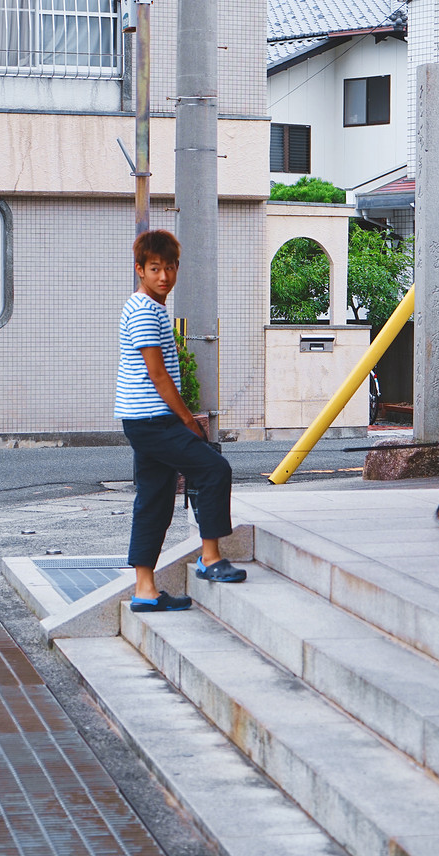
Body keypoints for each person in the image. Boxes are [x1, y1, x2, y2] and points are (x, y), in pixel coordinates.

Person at [115, 229, 246, 613]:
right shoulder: (144, 309)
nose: (164, 277)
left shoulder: (145, 307)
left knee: (154, 499)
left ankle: (145, 590)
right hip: (154, 418)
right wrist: (188, 420)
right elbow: (157, 374)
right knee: (214, 469)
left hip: (142, 419)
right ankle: (210, 558)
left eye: (170, 268)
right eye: (155, 268)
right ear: (139, 269)